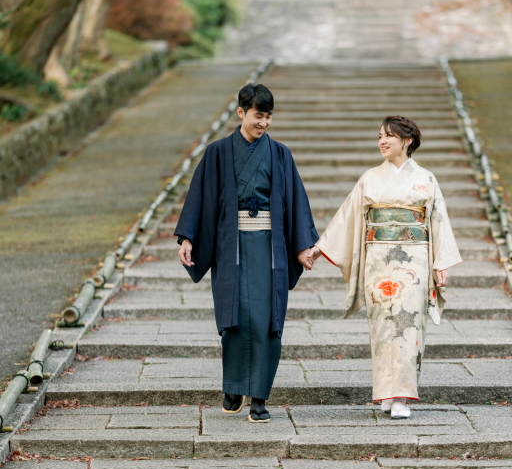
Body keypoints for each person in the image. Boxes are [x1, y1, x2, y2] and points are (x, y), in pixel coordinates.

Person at [175, 83, 318, 423]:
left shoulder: (280, 154)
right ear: (241, 112)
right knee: (235, 319)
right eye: (258, 116)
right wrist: (188, 238)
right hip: (232, 247)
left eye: (268, 117)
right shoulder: (217, 153)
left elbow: (296, 203)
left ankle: (259, 397)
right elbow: (201, 198)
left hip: (270, 249)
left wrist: (302, 247)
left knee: (267, 322)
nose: (263, 123)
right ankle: (234, 387)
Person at [307, 115, 461, 419]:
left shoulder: (426, 178)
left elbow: (438, 222)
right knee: (381, 328)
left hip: (415, 261)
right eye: (380, 136)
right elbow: (347, 217)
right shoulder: (370, 178)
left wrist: (440, 264)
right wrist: (319, 248)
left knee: (409, 326)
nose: (382, 141)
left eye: (389, 136)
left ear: (407, 141)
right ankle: (386, 395)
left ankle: (401, 397)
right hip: (377, 261)